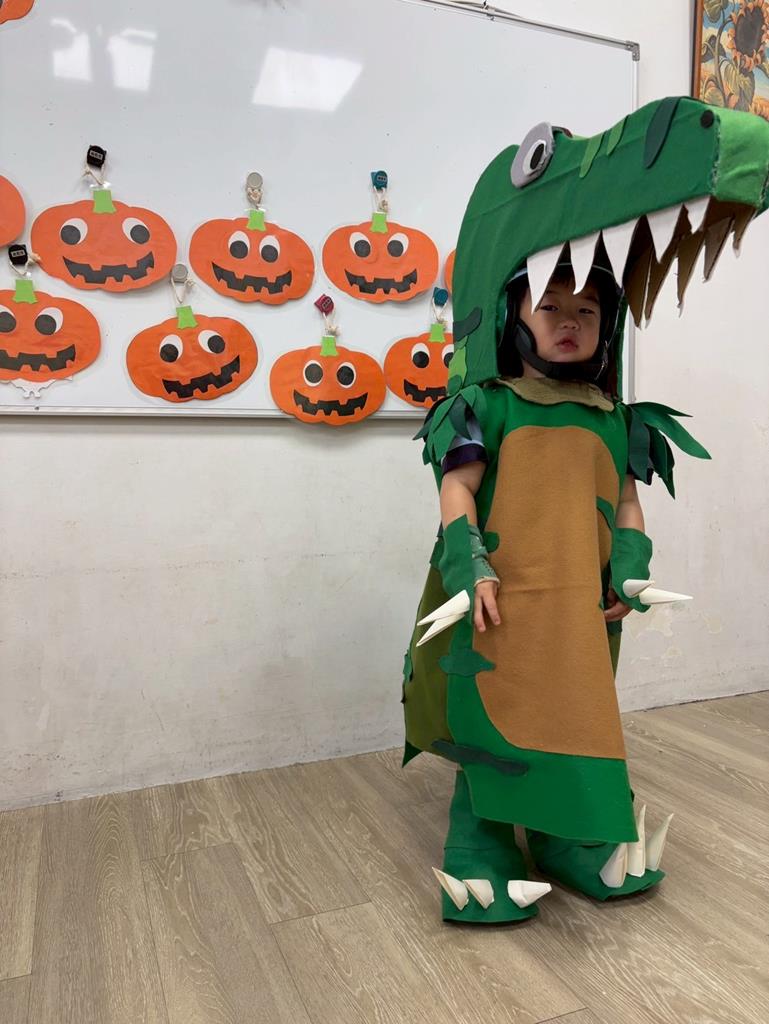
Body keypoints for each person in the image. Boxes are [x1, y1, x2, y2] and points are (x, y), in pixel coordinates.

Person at [401, 251, 709, 924]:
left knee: (575, 712)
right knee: (495, 711)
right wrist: (469, 564)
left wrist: (628, 564)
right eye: (550, 307)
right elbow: (457, 488)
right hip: (499, 602)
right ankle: (480, 843)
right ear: (514, 316)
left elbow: (625, 503)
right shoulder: (485, 405)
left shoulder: (615, 418)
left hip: (580, 605)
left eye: (586, 311)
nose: (569, 322)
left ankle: (567, 833)